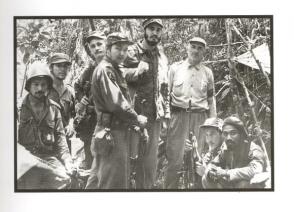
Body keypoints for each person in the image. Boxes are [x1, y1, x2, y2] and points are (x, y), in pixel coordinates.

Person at [90, 32, 147, 189]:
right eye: (118, 48)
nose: (122, 53)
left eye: (125, 49)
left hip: (113, 131)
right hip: (112, 133)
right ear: (108, 49)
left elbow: (127, 80)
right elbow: (117, 103)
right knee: (113, 183)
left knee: (98, 180)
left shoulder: (114, 69)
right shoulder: (106, 70)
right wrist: (137, 119)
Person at [123, 18, 169, 189]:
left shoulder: (161, 56)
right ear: (144, 30)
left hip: (154, 114)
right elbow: (118, 73)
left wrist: (166, 114)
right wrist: (136, 71)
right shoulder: (132, 51)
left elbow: (164, 87)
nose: (155, 33)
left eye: (158, 29)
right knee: (132, 157)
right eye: (151, 29)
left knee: (150, 161)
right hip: (134, 114)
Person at [165, 37, 217, 189]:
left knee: (199, 157)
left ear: (204, 52)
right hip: (178, 116)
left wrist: (213, 123)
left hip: (200, 118)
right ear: (187, 48)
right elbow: (166, 95)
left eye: (199, 48)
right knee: (174, 158)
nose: (195, 50)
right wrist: (166, 119)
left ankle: (197, 190)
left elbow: (211, 99)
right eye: (193, 46)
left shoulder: (207, 73)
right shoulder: (175, 68)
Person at [17, 61, 75, 189]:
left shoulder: (54, 109)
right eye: (36, 84)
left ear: (48, 86)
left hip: (48, 158)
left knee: (65, 180)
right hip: (25, 160)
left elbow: (61, 140)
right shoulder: (18, 110)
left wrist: (67, 161)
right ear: (29, 86)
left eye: (43, 85)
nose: (39, 89)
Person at [202, 116, 266, 189]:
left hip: (255, 186)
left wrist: (226, 173)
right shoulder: (226, 149)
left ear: (241, 134)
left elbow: (255, 170)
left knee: (243, 184)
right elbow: (213, 163)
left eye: (233, 133)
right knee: (206, 179)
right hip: (234, 183)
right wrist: (210, 171)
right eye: (225, 134)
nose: (228, 137)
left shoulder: (253, 149)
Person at [74, 31, 106, 169]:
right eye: (93, 46)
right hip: (91, 121)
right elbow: (77, 86)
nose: (97, 48)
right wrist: (82, 100)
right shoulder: (89, 70)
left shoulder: (114, 66)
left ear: (106, 45)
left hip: (108, 120)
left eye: (99, 44)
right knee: (90, 158)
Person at [48, 53, 75, 152]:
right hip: (46, 140)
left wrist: (71, 125)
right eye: (58, 66)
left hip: (65, 141)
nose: (62, 69)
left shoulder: (69, 91)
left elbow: (72, 113)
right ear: (51, 67)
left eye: (65, 66)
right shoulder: (43, 89)